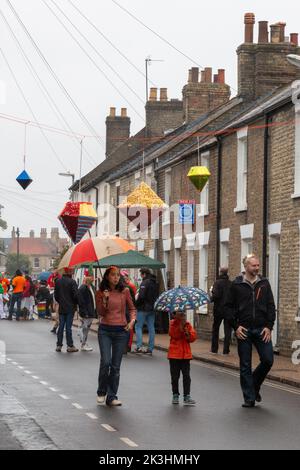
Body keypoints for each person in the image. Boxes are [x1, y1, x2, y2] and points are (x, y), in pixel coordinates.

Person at [224, 254, 276, 408]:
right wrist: (235, 326)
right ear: (246, 267)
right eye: (254, 265)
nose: (257, 268)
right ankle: (249, 398)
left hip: (261, 329)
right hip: (244, 330)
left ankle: (254, 385)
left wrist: (269, 326)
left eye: (258, 265)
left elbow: (271, 306)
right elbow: (227, 307)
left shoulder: (264, 283)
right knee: (245, 364)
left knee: (268, 360)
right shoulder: (236, 285)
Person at [96, 266, 136, 407]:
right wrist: (105, 300)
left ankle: (111, 396)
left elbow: (132, 308)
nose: (116, 277)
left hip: (121, 331)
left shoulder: (124, 291)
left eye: (117, 275)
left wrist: (132, 321)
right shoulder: (100, 292)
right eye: (113, 275)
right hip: (105, 330)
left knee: (115, 366)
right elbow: (100, 312)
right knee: (106, 361)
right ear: (107, 276)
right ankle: (101, 391)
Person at [168, 310, 197, 406]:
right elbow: (174, 335)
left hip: (185, 355)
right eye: (180, 314)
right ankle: (175, 395)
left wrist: (186, 330)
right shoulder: (172, 323)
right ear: (175, 315)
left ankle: (187, 396)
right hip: (174, 355)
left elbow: (192, 338)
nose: (182, 316)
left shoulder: (187, 325)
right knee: (175, 377)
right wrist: (179, 325)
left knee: (186, 377)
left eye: (183, 315)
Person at [134, 268, 159, 355]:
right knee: (151, 328)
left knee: (138, 327)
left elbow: (141, 296)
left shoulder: (145, 283)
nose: (141, 276)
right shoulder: (155, 282)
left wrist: (136, 304)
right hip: (152, 308)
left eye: (141, 274)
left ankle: (139, 346)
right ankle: (150, 348)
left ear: (144, 274)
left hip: (143, 308)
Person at [54, 267, 79, 353]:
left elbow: (56, 296)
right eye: (72, 270)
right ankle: (70, 345)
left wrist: (61, 301)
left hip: (62, 307)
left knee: (61, 326)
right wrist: (76, 303)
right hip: (70, 307)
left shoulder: (58, 281)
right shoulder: (72, 282)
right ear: (70, 272)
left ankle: (59, 345)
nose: (72, 272)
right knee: (68, 327)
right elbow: (76, 295)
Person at [210, 267, 232, 355]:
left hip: (218, 309)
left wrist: (211, 296)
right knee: (228, 331)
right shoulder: (231, 283)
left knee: (215, 329)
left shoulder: (217, 283)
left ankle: (214, 349)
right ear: (227, 273)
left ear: (220, 272)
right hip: (228, 310)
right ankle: (226, 351)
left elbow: (216, 296)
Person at [78, 275, 97, 351]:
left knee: (86, 328)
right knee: (85, 328)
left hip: (91, 311)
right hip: (87, 312)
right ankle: (83, 344)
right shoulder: (83, 288)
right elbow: (81, 301)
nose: (93, 279)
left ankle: (83, 343)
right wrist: (84, 312)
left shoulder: (91, 287)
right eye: (92, 278)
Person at [120, 270, 137, 353]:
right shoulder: (129, 288)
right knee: (127, 329)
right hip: (128, 311)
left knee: (123, 329)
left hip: (123, 311)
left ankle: (123, 346)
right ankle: (126, 346)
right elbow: (133, 301)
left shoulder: (123, 288)